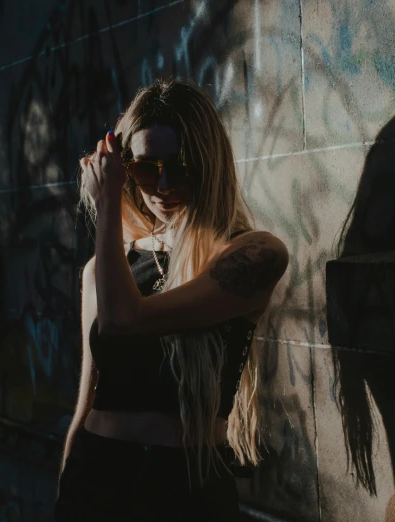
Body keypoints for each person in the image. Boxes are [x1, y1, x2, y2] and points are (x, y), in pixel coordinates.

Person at [55, 79, 288, 521]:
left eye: (181, 167)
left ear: (209, 164)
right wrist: (64, 488)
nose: (163, 185)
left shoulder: (256, 254)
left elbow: (123, 321)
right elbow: (86, 404)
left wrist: (106, 206)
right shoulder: (103, 270)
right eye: (145, 168)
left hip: (187, 486)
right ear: (124, 169)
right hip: (96, 477)